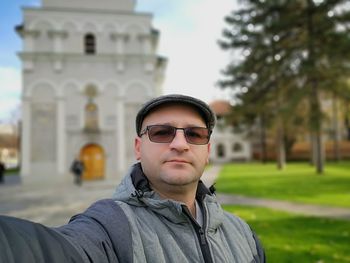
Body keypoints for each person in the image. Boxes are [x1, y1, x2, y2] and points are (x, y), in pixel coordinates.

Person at [0, 94, 265, 262]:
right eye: (162, 132)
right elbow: (54, 251)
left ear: (207, 151)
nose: (180, 144)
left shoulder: (243, 234)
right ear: (138, 148)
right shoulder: (112, 227)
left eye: (195, 134)